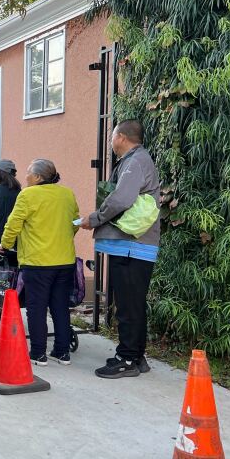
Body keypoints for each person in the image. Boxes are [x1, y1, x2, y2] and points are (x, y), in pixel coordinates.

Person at [81, 119, 160, 378]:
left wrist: (94, 218)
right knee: (133, 303)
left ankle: (126, 359)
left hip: (130, 246)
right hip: (134, 246)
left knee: (127, 304)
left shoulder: (135, 161)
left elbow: (121, 199)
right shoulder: (138, 160)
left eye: (113, 136)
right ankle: (136, 356)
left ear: (122, 137)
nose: (111, 142)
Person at [0, 159, 79, 366]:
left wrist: (4, 246)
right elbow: (75, 223)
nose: (25, 177)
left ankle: (38, 353)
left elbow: (13, 224)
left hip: (38, 262)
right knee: (60, 307)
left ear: (39, 177)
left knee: (37, 307)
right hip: (64, 260)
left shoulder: (28, 194)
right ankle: (62, 352)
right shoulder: (67, 194)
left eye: (28, 173)